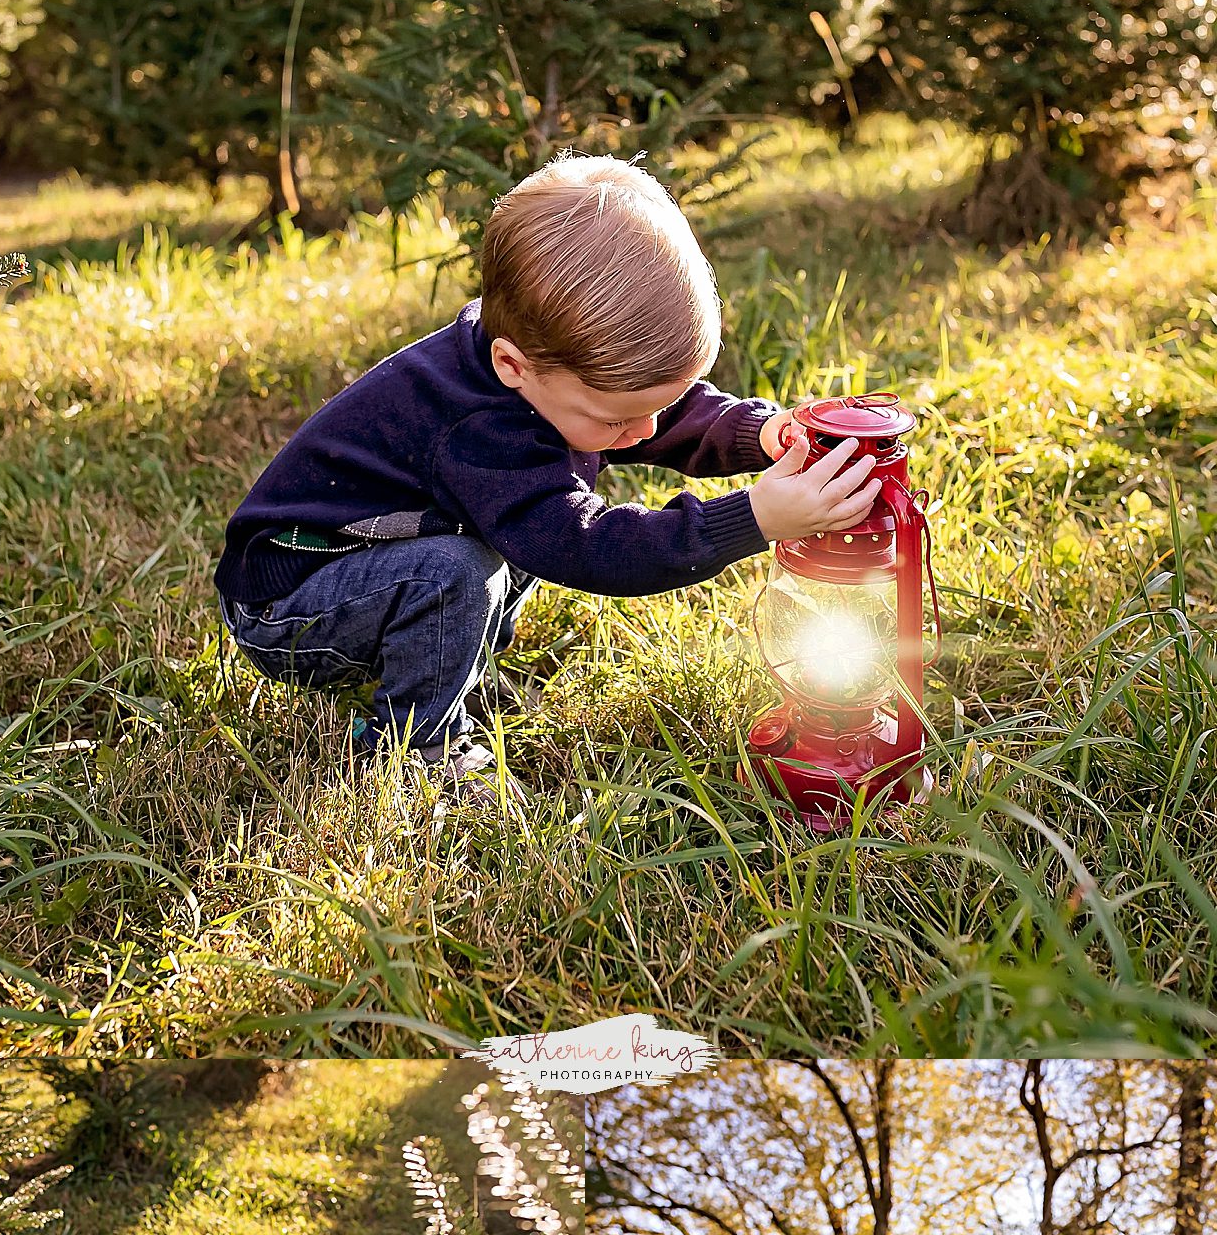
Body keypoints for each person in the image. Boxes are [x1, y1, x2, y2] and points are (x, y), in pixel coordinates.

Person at [213, 155, 880, 778]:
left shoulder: (539, 367)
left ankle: (452, 663)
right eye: (616, 420)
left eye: (654, 407)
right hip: (290, 603)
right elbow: (587, 549)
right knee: (459, 569)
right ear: (512, 366)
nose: (641, 434)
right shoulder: (478, 427)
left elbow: (658, 416)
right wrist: (752, 518)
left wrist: (761, 432)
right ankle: (418, 744)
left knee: (490, 543)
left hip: (382, 551)